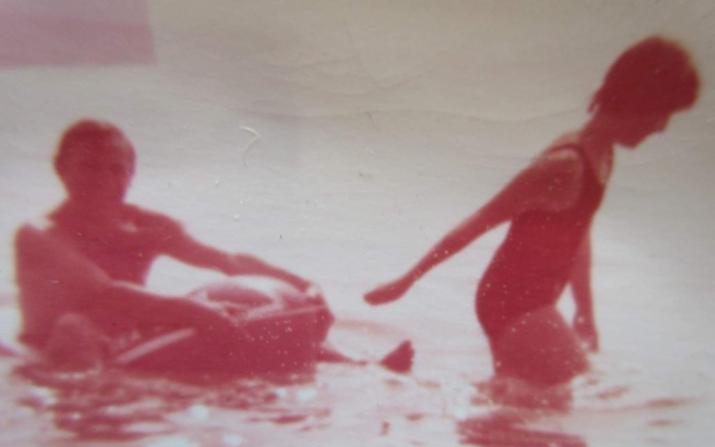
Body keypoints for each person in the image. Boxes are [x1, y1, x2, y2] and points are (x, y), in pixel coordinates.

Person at [365, 36, 700, 387]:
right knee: (579, 391)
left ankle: (456, 419)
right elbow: (479, 222)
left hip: (534, 301)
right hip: (512, 303)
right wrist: (407, 280)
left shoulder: (601, 157)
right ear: (639, 100)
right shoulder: (565, 165)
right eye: (664, 112)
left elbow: (578, 235)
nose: (662, 127)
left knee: (531, 407)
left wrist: (584, 310)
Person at [15, 119, 332, 373]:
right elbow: (106, 293)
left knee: (310, 344)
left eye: (116, 169)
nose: (103, 179)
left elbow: (227, 261)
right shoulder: (40, 234)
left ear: (131, 175)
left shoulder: (147, 227)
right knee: (75, 327)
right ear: (61, 168)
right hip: (57, 344)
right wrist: (197, 312)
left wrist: (306, 288)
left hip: (127, 337)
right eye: (89, 166)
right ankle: (85, 405)